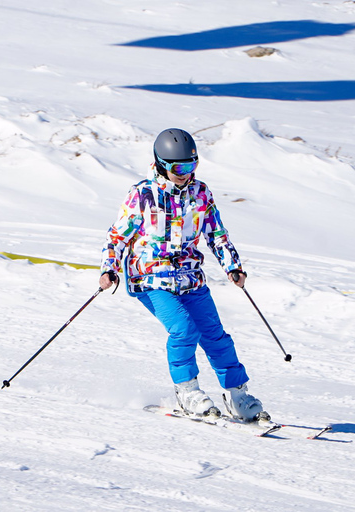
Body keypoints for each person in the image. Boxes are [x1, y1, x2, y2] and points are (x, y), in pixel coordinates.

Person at [99, 128, 268, 422]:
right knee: (183, 329)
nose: (185, 173)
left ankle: (237, 395)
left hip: (190, 279)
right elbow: (117, 237)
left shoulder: (201, 193)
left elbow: (216, 234)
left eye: (191, 166)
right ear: (162, 163)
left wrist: (232, 266)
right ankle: (187, 391)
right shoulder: (142, 195)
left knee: (216, 335)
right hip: (150, 279)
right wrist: (110, 269)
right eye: (178, 167)